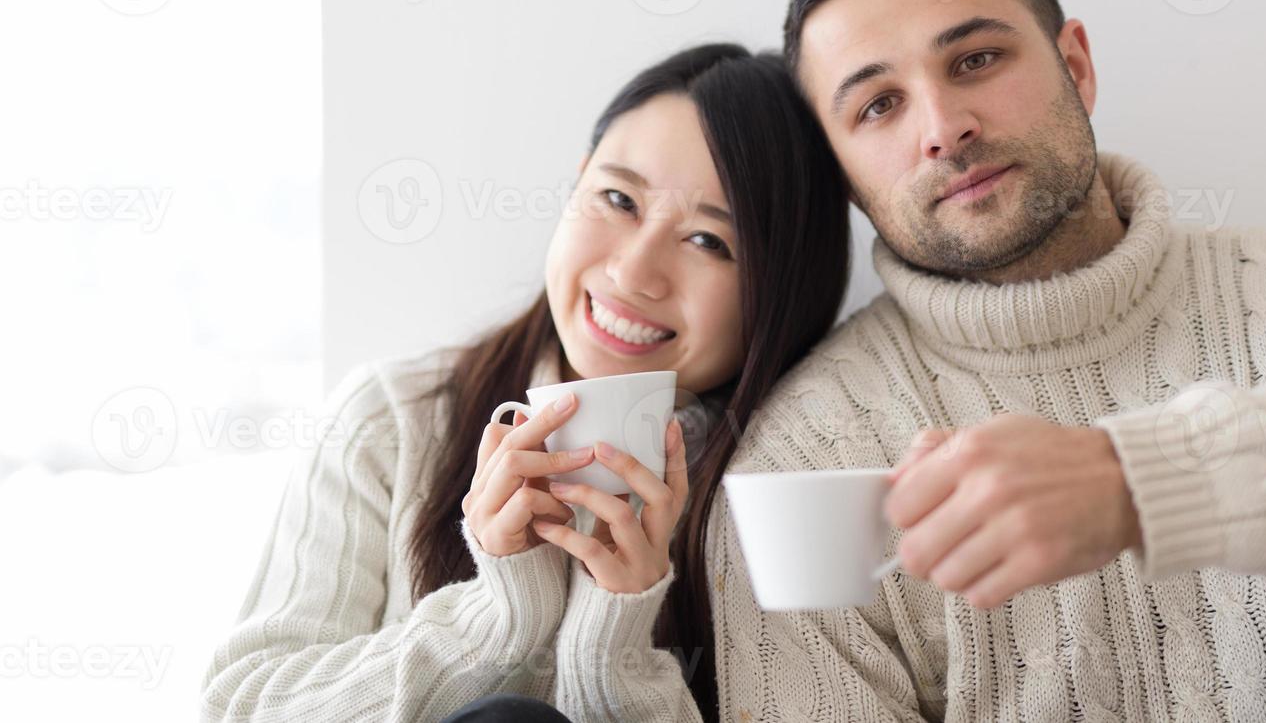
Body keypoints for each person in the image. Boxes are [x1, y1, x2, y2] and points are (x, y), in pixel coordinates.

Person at [599, 0, 1266, 721]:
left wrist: (1136, 483)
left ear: (1076, 67)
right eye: (879, 106)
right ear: (847, 177)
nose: (944, 126)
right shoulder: (803, 466)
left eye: (975, 59)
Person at [198, 43, 851, 723]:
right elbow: (241, 704)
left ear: (782, 290)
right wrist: (494, 614)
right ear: (575, 186)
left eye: (709, 242)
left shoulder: (785, 497)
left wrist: (614, 642)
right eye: (618, 199)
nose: (633, 272)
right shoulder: (395, 423)